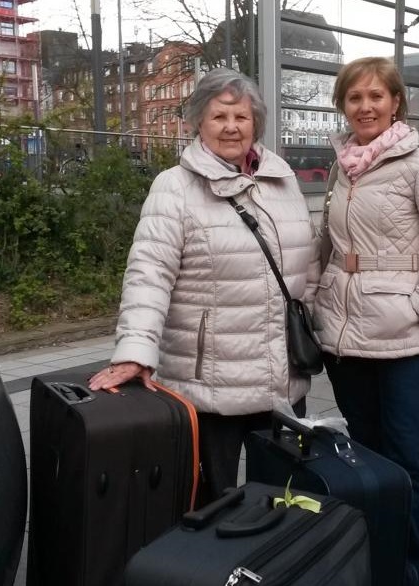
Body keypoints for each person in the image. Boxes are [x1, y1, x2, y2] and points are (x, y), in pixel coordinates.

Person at [89, 67, 319, 506]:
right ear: (199, 122)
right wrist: (136, 350)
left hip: (281, 379)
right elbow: (149, 274)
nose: (232, 126)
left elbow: (305, 267)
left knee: (283, 502)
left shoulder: (282, 179)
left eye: (242, 116)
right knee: (213, 505)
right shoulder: (174, 188)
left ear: (256, 123)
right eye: (219, 116)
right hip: (212, 382)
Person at [314, 56, 419, 586]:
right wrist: (314, 300)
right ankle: (375, 565)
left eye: (375, 96)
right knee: (364, 458)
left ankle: (414, 574)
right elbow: (327, 245)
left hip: (405, 340)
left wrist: (418, 307)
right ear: (343, 105)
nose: (365, 107)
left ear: (396, 102)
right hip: (345, 338)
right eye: (355, 97)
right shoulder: (342, 166)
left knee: (406, 461)